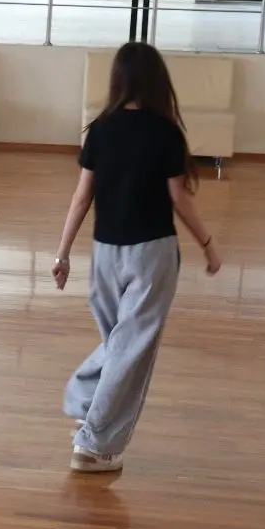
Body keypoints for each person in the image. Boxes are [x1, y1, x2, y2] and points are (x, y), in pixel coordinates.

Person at [51, 42, 222, 473]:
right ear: (157, 80)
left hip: (105, 255)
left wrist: (63, 253)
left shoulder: (100, 130)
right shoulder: (165, 132)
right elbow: (179, 198)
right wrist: (207, 244)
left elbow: (81, 196)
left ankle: (87, 403)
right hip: (151, 254)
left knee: (121, 344)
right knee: (130, 348)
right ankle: (94, 444)